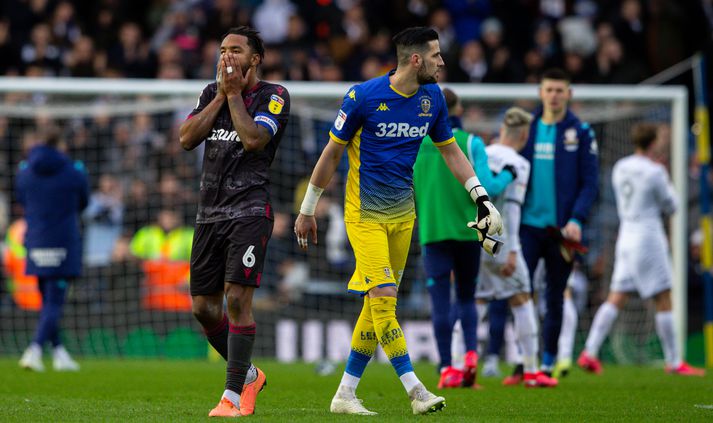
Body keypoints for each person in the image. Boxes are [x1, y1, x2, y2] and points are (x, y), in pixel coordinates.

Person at [294, 27, 503, 416]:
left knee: (375, 308)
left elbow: (452, 152)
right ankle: (416, 390)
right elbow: (331, 154)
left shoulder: (432, 99)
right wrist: (308, 208)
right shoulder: (363, 96)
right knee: (385, 299)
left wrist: (482, 199)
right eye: (437, 56)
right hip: (364, 215)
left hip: (404, 217)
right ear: (416, 59)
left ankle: (344, 394)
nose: (443, 62)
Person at [178, 26, 290, 417]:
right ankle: (249, 374)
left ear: (255, 59)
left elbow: (253, 139)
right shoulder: (211, 93)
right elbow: (187, 138)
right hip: (208, 213)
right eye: (222, 49)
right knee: (203, 308)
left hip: (249, 209)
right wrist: (221, 96)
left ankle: (231, 396)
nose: (226, 55)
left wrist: (235, 96)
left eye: (235, 50)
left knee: (237, 299)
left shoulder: (274, 96)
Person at [577, 123, 705, 376]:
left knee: (617, 295)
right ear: (654, 142)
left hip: (625, 235)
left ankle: (589, 352)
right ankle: (674, 361)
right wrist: (664, 175)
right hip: (648, 237)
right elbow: (673, 205)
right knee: (663, 296)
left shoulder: (620, 166)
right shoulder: (655, 171)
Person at [413, 88, 516, 389]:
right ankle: (471, 356)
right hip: (470, 231)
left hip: (432, 232)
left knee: (440, 302)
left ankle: (447, 367)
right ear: (457, 109)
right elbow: (487, 187)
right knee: (468, 297)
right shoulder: (472, 143)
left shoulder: (417, 143)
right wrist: (508, 174)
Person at [519, 68, 599, 376]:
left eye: (559, 90)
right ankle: (523, 360)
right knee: (520, 293)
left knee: (555, 296)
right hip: (527, 227)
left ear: (569, 94)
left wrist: (577, 217)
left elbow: (590, 182)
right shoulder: (527, 129)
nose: (553, 95)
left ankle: (549, 359)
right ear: (541, 92)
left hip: (562, 231)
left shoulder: (580, 133)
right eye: (549, 89)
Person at [476, 107, 558, 387]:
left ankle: (458, 367)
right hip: (501, 239)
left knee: (472, 300)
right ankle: (533, 371)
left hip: (474, 236)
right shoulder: (520, 164)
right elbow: (510, 208)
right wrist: (511, 249)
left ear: (501, 130)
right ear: (524, 134)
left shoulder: (482, 152)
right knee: (522, 298)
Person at [17, 127, 89, 372]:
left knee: (47, 301)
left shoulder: (25, 172)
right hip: (62, 243)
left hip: (35, 241)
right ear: (60, 145)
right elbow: (84, 202)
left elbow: (22, 200)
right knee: (54, 302)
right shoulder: (74, 172)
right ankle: (34, 349)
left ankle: (59, 353)